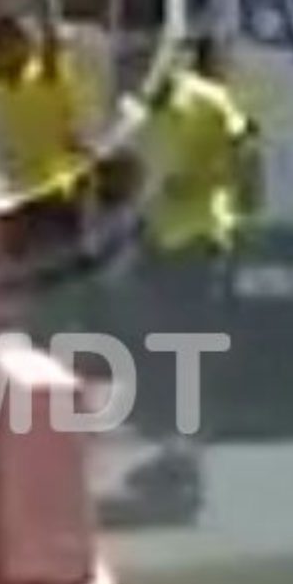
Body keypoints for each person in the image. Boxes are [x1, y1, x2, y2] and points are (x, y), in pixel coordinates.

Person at [114, 35, 258, 504]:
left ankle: (184, 461)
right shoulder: (143, 112)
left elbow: (245, 146)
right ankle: (174, 454)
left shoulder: (201, 102)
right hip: (164, 239)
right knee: (163, 348)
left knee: (185, 348)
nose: (134, 79)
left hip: (193, 240)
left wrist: (243, 204)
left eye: (139, 68)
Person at [0, 9, 103, 288]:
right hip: (26, 193)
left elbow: (52, 39)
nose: (5, 52)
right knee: (37, 264)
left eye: (13, 44)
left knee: (66, 251)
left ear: (27, 47)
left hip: (61, 186)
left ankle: (83, 258)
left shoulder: (45, 74)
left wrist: (43, 4)